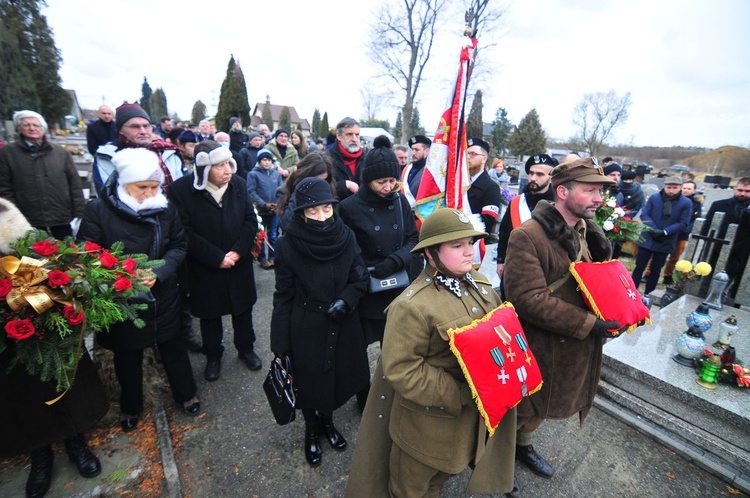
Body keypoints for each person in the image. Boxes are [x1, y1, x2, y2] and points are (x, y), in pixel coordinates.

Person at [346, 208, 518, 497]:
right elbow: (403, 369)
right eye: (457, 245)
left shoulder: (483, 288)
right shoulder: (412, 306)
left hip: (468, 425)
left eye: (470, 243)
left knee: (443, 477)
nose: (469, 252)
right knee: (413, 488)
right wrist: (462, 393)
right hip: (426, 429)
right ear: (430, 254)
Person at [503, 157, 621, 480]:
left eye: (601, 191)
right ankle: (497, 466)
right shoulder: (527, 236)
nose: (600, 199)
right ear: (563, 192)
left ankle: (522, 447)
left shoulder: (585, 230)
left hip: (571, 346)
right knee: (523, 410)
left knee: (543, 409)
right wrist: (588, 325)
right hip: (540, 345)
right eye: (591, 191)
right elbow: (526, 299)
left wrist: (618, 309)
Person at [78, 147, 201, 434]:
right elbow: (87, 252)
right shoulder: (99, 210)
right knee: (127, 356)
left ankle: (186, 394)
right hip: (122, 298)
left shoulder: (165, 207)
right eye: (141, 186)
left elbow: (179, 245)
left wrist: (159, 271)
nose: (148, 192)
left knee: (173, 348)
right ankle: (131, 405)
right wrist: (122, 276)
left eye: (154, 186)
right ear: (124, 183)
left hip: (162, 293)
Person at [0, 198, 107, 498]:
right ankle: (40, 455)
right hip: (5, 340)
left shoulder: (4, 212)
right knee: (19, 396)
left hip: (35, 317)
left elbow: (35, 258)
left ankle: (76, 442)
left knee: (58, 383)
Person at [270, 177, 370, 468]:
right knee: (310, 381)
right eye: (313, 211)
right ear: (301, 212)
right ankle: (311, 430)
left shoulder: (346, 236)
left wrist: (347, 300)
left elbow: (360, 276)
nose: (322, 217)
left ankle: (328, 423)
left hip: (342, 320)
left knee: (336, 377)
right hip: (307, 324)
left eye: (326, 209)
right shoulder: (288, 245)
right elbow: (283, 295)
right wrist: (280, 344)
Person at [168, 141, 262, 381]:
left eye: (228, 163)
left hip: (237, 263)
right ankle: (213, 356)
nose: (227, 170)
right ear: (203, 168)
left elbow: (250, 221)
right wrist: (215, 257)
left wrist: (238, 252)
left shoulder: (238, 185)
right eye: (219, 165)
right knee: (210, 316)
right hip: (205, 267)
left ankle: (246, 349)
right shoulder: (182, 191)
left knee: (243, 311)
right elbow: (184, 231)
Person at [338, 138, 419, 408]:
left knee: (395, 348)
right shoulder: (349, 207)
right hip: (366, 288)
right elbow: (347, 250)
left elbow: (412, 238)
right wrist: (368, 267)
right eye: (381, 182)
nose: (387, 187)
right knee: (358, 350)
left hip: (396, 286)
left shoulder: (400, 202)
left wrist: (396, 260)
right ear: (367, 180)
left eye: (392, 182)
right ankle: (363, 396)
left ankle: (393, 393)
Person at [0, 110, 85, 239]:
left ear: (43, 128)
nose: (32, 128)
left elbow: (74, 184)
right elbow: (4, 188)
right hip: (27, 219)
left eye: (36, 125)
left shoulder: (61, 153)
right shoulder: (8, 153)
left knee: (66, 255)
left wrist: (79, 213)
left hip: (60, 216)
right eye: (26, 125)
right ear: (19, 128)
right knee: (30, 257)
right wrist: (13, 216)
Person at [93, 102, 187, 195]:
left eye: (146, 126)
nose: (143, 131)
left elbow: (183, 192)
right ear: (121, 130)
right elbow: (107, 197)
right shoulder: (107, 157)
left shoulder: (168, 152)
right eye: (135, 127)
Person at [495, 153, 559, 280]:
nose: (533, 178)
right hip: (514, 268)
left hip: (545, 272)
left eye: (540, 174)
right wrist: (500, 260)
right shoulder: (517, 202)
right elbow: (504, 233)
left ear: (551, 178)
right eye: (531, 173)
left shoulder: (558, 205)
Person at [631, 176, 692, 295]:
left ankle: (649, 294)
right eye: (669, 187)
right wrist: (654, 229)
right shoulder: (654, 198)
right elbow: (645, 214)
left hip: (666, 239)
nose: (671, 190)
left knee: (656, 270)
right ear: (664, 186)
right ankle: (631, 291)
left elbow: (683, 222)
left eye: (675, 188)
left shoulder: (686, 203)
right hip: (648, 237)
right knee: (639, 266)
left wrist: (665, 231)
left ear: (680, 188)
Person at [700, 177, 750, 298]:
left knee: (732, 286)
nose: (743, 193)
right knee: (707, 281)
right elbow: (706, 227)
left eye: (747, 191)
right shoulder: (719, 205)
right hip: (716, 249)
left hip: (741, 254)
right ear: (734, 189)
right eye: (740, 190)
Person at [276, 153, 337, 232]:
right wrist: (301, 190)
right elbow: (285, 224)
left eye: (322, 181)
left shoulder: (328, 189)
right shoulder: (283, 191)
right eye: (313, 180)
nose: (317, 185)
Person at [247, 149, 283, 269]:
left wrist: (276, 204)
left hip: (274, 210)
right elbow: (251, 191)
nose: (267, 163)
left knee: (273, 234)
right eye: (264, 160)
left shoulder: (276, 174)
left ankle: (273, 257)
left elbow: (280, 191)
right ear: (259, 161)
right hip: (261, 210)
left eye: (269, 160)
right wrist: (263, 204)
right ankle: (262, 258)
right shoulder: (253, 174)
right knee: (261, 236)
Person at [662, 180, 703, 285]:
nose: (686, 190)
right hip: (668, 231)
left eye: (689, 189)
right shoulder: (673, 199)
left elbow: (695, 219)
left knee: (675, 256)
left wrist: (686, 229)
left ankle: (668, 275)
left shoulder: (696, 204)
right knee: (659, 253)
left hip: (682, 234)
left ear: (694, 190)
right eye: (684, 188)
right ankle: (648, 273)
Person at [466, 137, 503, 237]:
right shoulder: (459, 183)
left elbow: (486, 221)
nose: (468, 157)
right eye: (466, 153)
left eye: (473, 154)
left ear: (484, 159)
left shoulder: (491, 187)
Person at [327, 117, 367, 201]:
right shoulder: (326, 158)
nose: (354, 139)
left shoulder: (366, 158)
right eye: (349, 134)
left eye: (357, 135)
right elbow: (321, 187)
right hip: (337, 210)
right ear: (338, 136)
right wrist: (344, 185)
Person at [401, 135, 431, 208]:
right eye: (412, 149)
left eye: (417, 150)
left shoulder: (430, 171)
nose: (413, 153)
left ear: (426, 151)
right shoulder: (407, 168)